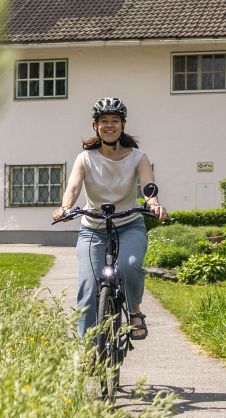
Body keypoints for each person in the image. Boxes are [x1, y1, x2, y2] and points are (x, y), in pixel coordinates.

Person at [54, 97, 164, 340]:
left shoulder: (138, 157)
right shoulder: (85, 158)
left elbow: (148, 185)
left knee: (129, 265)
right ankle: (88, 347)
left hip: (129, 225)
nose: (109, 125)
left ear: (123, 125)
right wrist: (65, 207)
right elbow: (73, 187)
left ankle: (135, 311)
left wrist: (154, 204)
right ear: (96, 126)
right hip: (93, 227)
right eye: (104, 121)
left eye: (115, 120)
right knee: (88, 285)